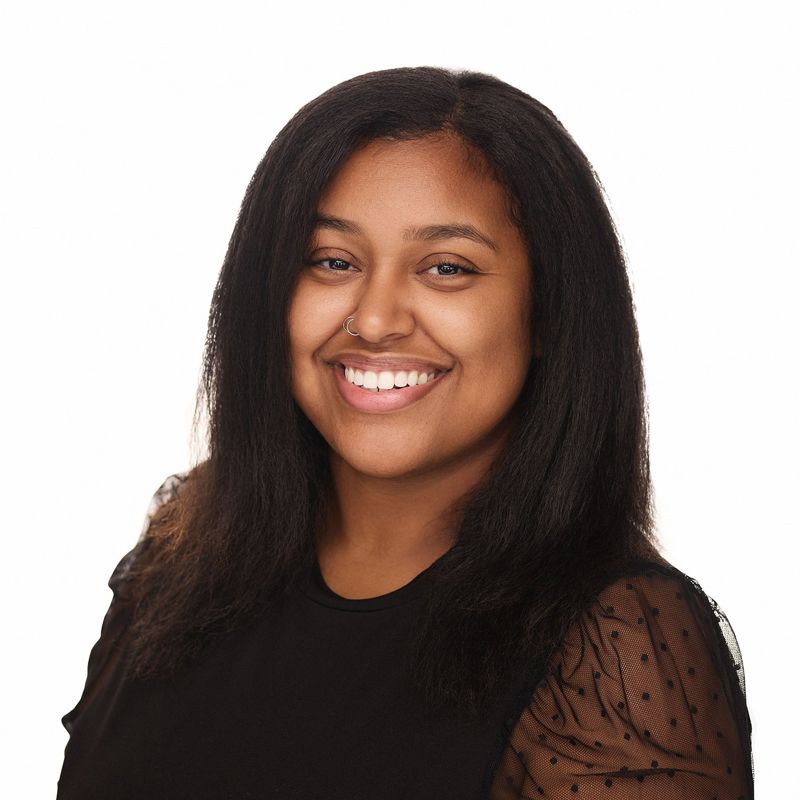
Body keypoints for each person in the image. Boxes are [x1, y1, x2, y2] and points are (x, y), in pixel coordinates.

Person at [57, 66, 753, 799]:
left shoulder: (613, 650)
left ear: (548, 312)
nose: (377, 317)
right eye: (332, 261)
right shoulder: (181, 562)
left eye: (446, 267)